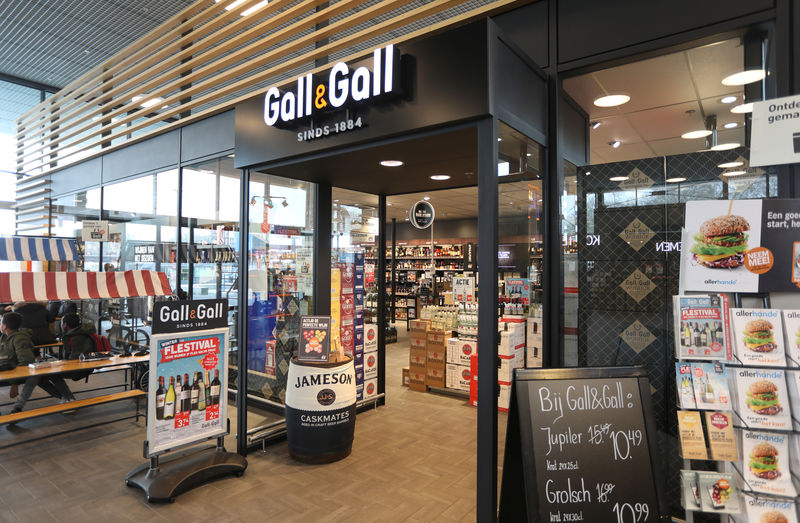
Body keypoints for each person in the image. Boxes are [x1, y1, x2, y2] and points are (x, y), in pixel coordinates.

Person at [0, 312, 74, 416]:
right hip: (7, 371)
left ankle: (18, 407)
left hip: (17, 373)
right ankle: (67, 398)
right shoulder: (3, 338)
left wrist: (14, 383)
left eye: (1, 322)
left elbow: (26, 361)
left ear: (4, 326)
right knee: (42, 377)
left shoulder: (19, 338)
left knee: (38, 376)